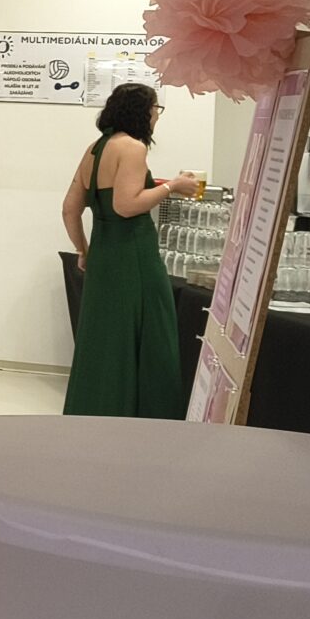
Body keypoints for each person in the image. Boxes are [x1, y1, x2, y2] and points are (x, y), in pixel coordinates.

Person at [61, 83, 201, 417]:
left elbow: (69, 209)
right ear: (142, 112)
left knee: (104, 339)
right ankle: (147, 417)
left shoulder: (95, 149)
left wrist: (83, 250)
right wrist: (172, 186)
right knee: (152, 333)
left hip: (103, 256)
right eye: (156, 109)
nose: (157, 116)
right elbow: (126, 205)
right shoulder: (133, 148)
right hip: (134, 256)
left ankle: (95, 410)